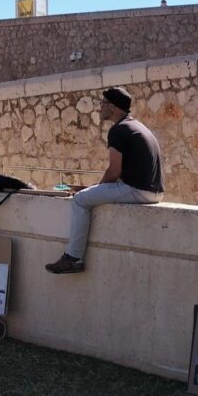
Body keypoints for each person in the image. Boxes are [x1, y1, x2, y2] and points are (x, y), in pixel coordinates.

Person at [46, 86, 164, 274]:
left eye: (104, 104)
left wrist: (95, 190)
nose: (101, 107)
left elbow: (113, 171)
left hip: (138, 190)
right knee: (88, 194)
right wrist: (97, 189)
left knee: (80, 200)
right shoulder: (136, 126)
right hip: (154, 191)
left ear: (114, 107)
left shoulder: (118, 131)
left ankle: (73, 258)